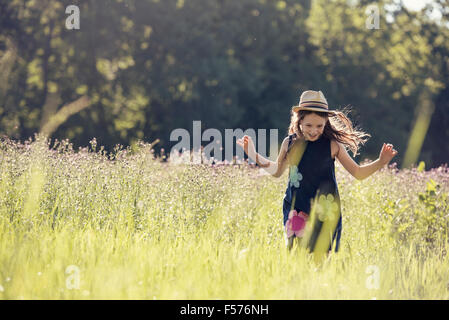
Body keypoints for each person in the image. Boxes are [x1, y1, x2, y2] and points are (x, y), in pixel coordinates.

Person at [237, 90, 398, 254]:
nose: (314, 130)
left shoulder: (332, 145)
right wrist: (253, 154)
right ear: (299, 121)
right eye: (308, 125)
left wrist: (381, 162)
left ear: (326, 123)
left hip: (325, 210)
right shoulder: (290, 143)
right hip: (296, 208)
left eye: (319, 126)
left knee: (320, 259)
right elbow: (276, 171)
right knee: (296, 255)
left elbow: (358, 173)